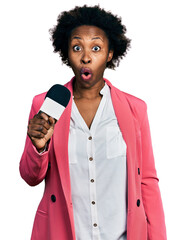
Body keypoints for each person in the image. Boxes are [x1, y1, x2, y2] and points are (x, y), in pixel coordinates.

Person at [19, 5, 167, 240]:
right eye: (77, 47)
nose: (86, 57)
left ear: (110, 54)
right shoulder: (45, 105)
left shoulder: (135, 110)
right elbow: (30, 177)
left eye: (96, 48)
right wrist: (39, 147)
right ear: (67, 53)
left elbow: (147, 181)